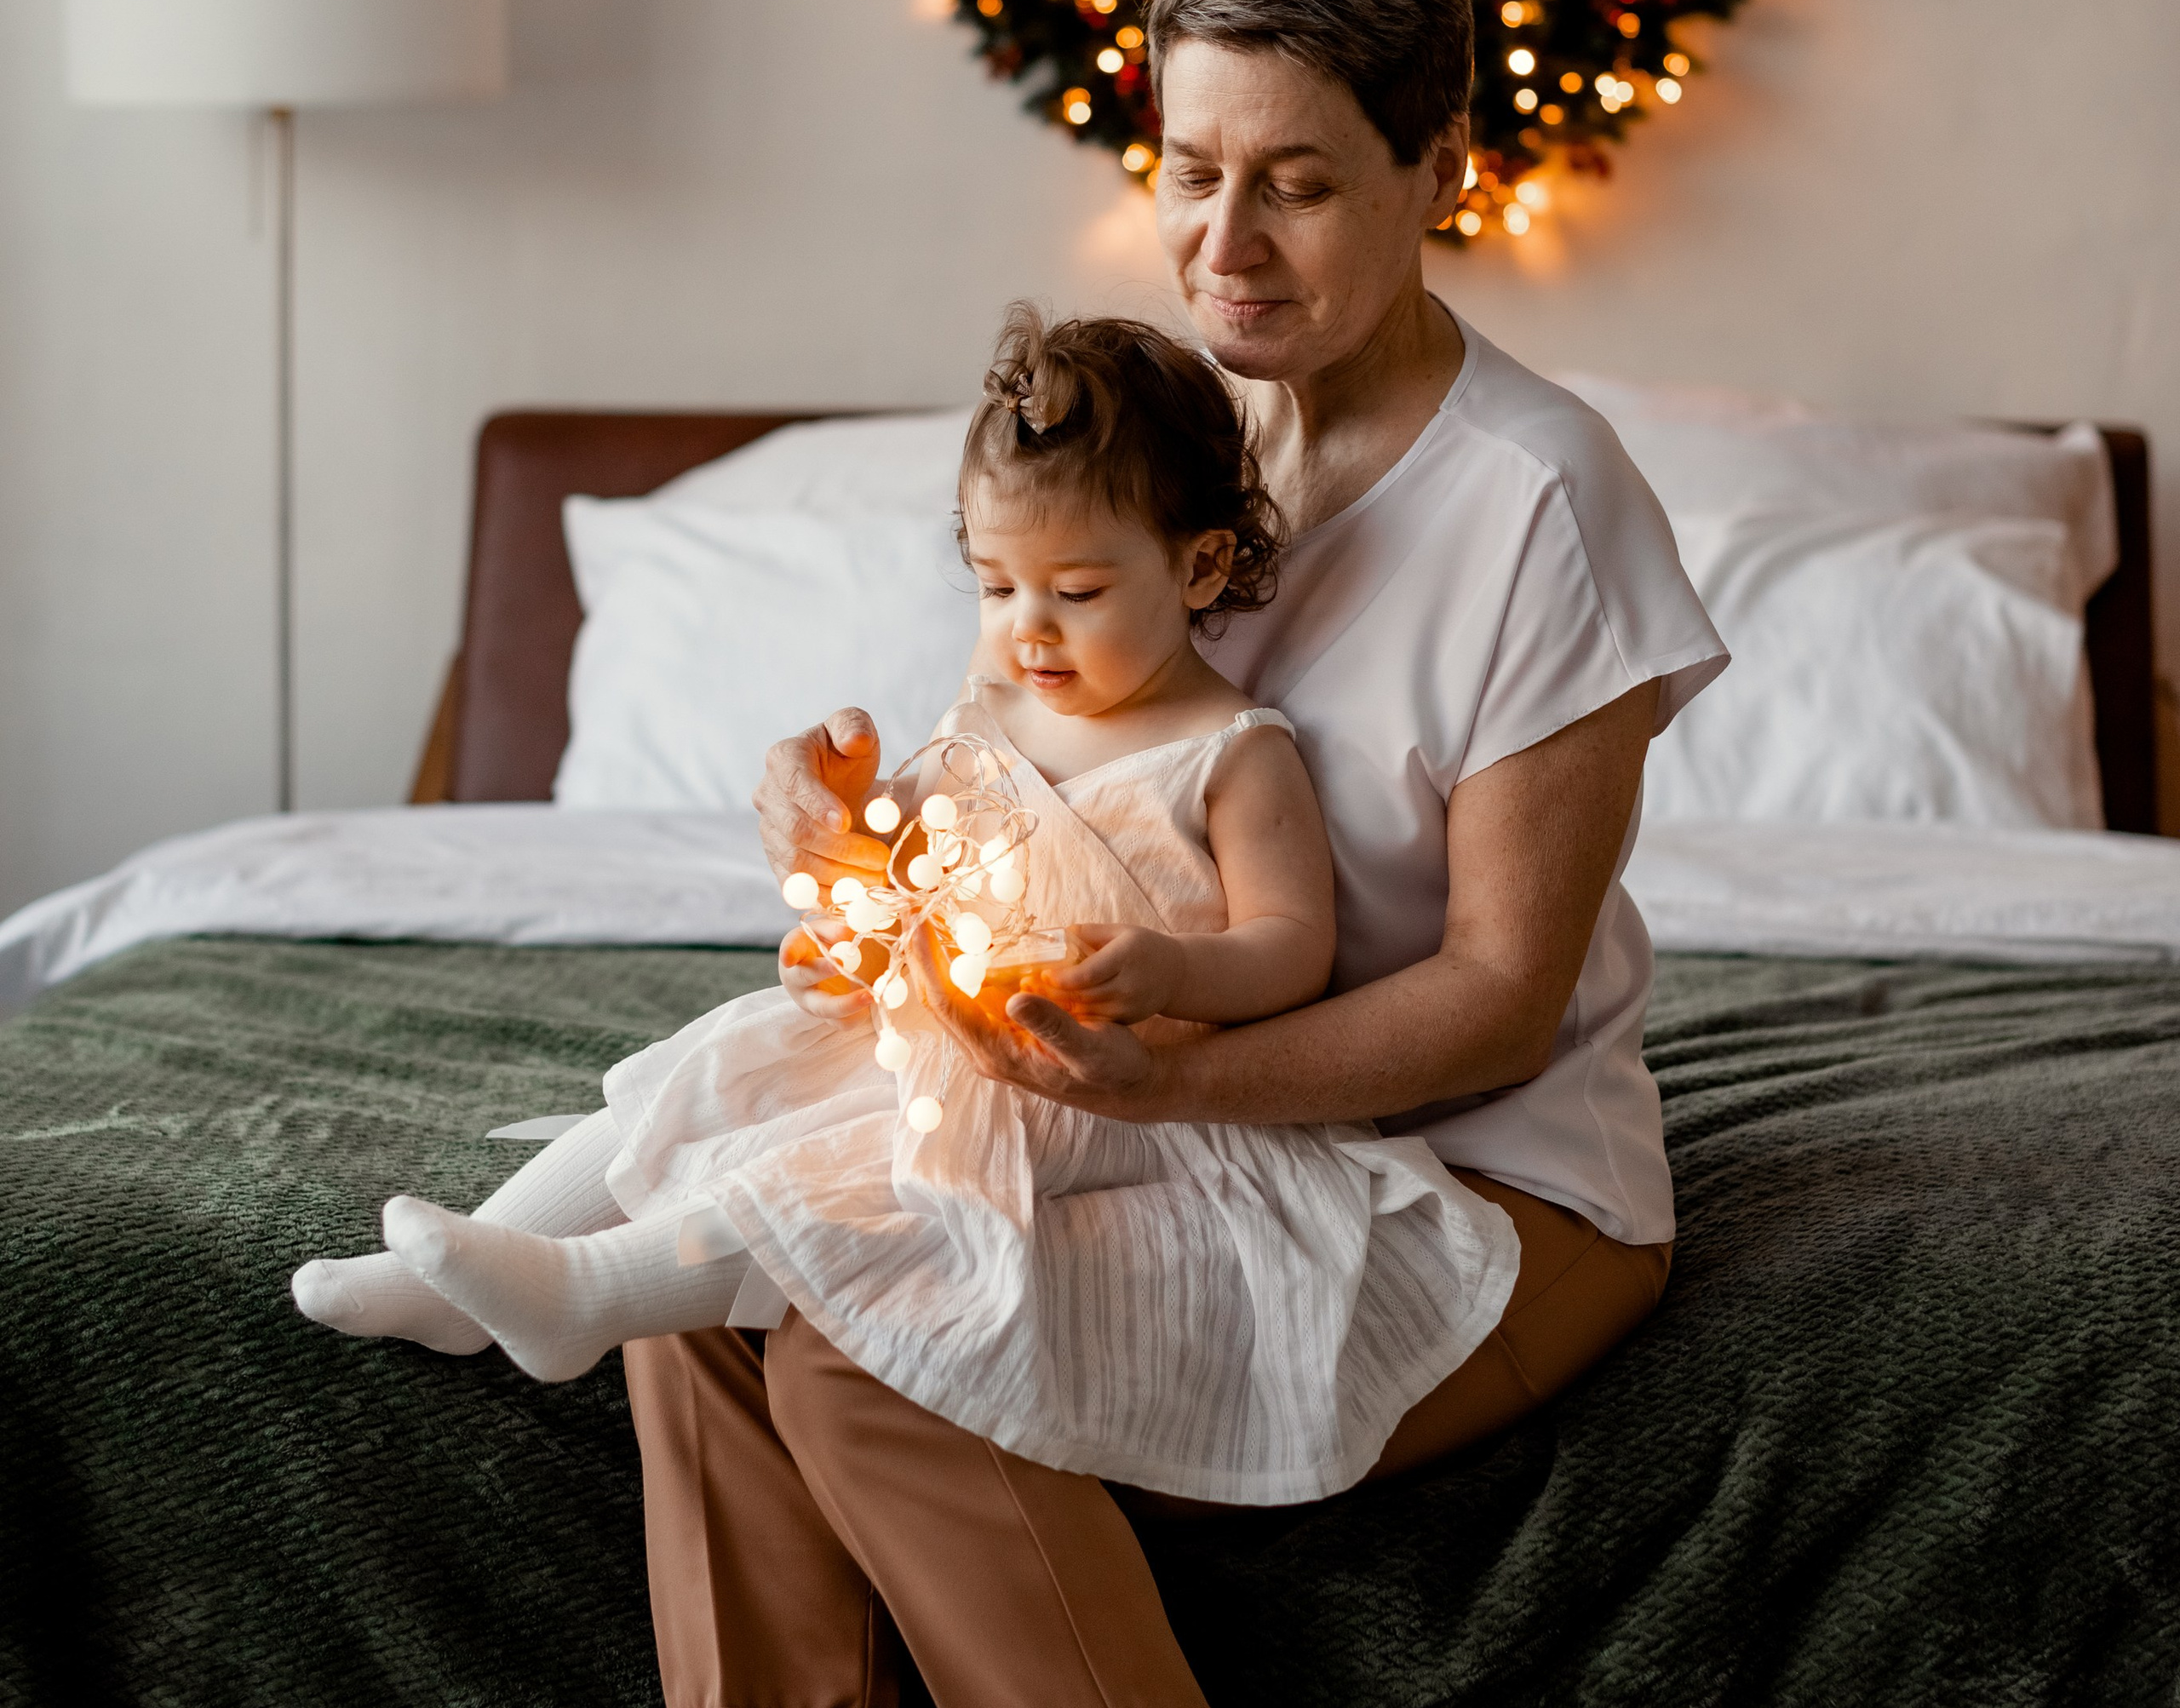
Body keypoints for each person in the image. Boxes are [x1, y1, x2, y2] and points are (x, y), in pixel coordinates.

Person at [343, 0, 1728, 1708]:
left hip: (1478, 1177)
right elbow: (1036, 797)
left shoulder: (1540, 502)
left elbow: (1502, 994)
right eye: (1191, 169)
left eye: (1300, 178)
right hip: (1160, 1111)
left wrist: (1150, 1057)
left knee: (870, 1311)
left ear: (1438, 167)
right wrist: (858, 832)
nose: (1230, 238)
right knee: (725, 1228)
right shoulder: (1141, 428)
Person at [309, 305, 1526, 1515]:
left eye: (1079, 590)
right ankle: (465, 1275)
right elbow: (919, 856)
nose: (1028, 628)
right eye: (996, 585)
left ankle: (585, 1300)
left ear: (1201, 565)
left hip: (1103, 1094)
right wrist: (846, 908)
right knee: (713, 1072)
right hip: (946, 1034)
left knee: (841, 1179)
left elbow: (1293, 950)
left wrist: (1171, 971)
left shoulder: (1230, 752)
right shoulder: (994, 695)